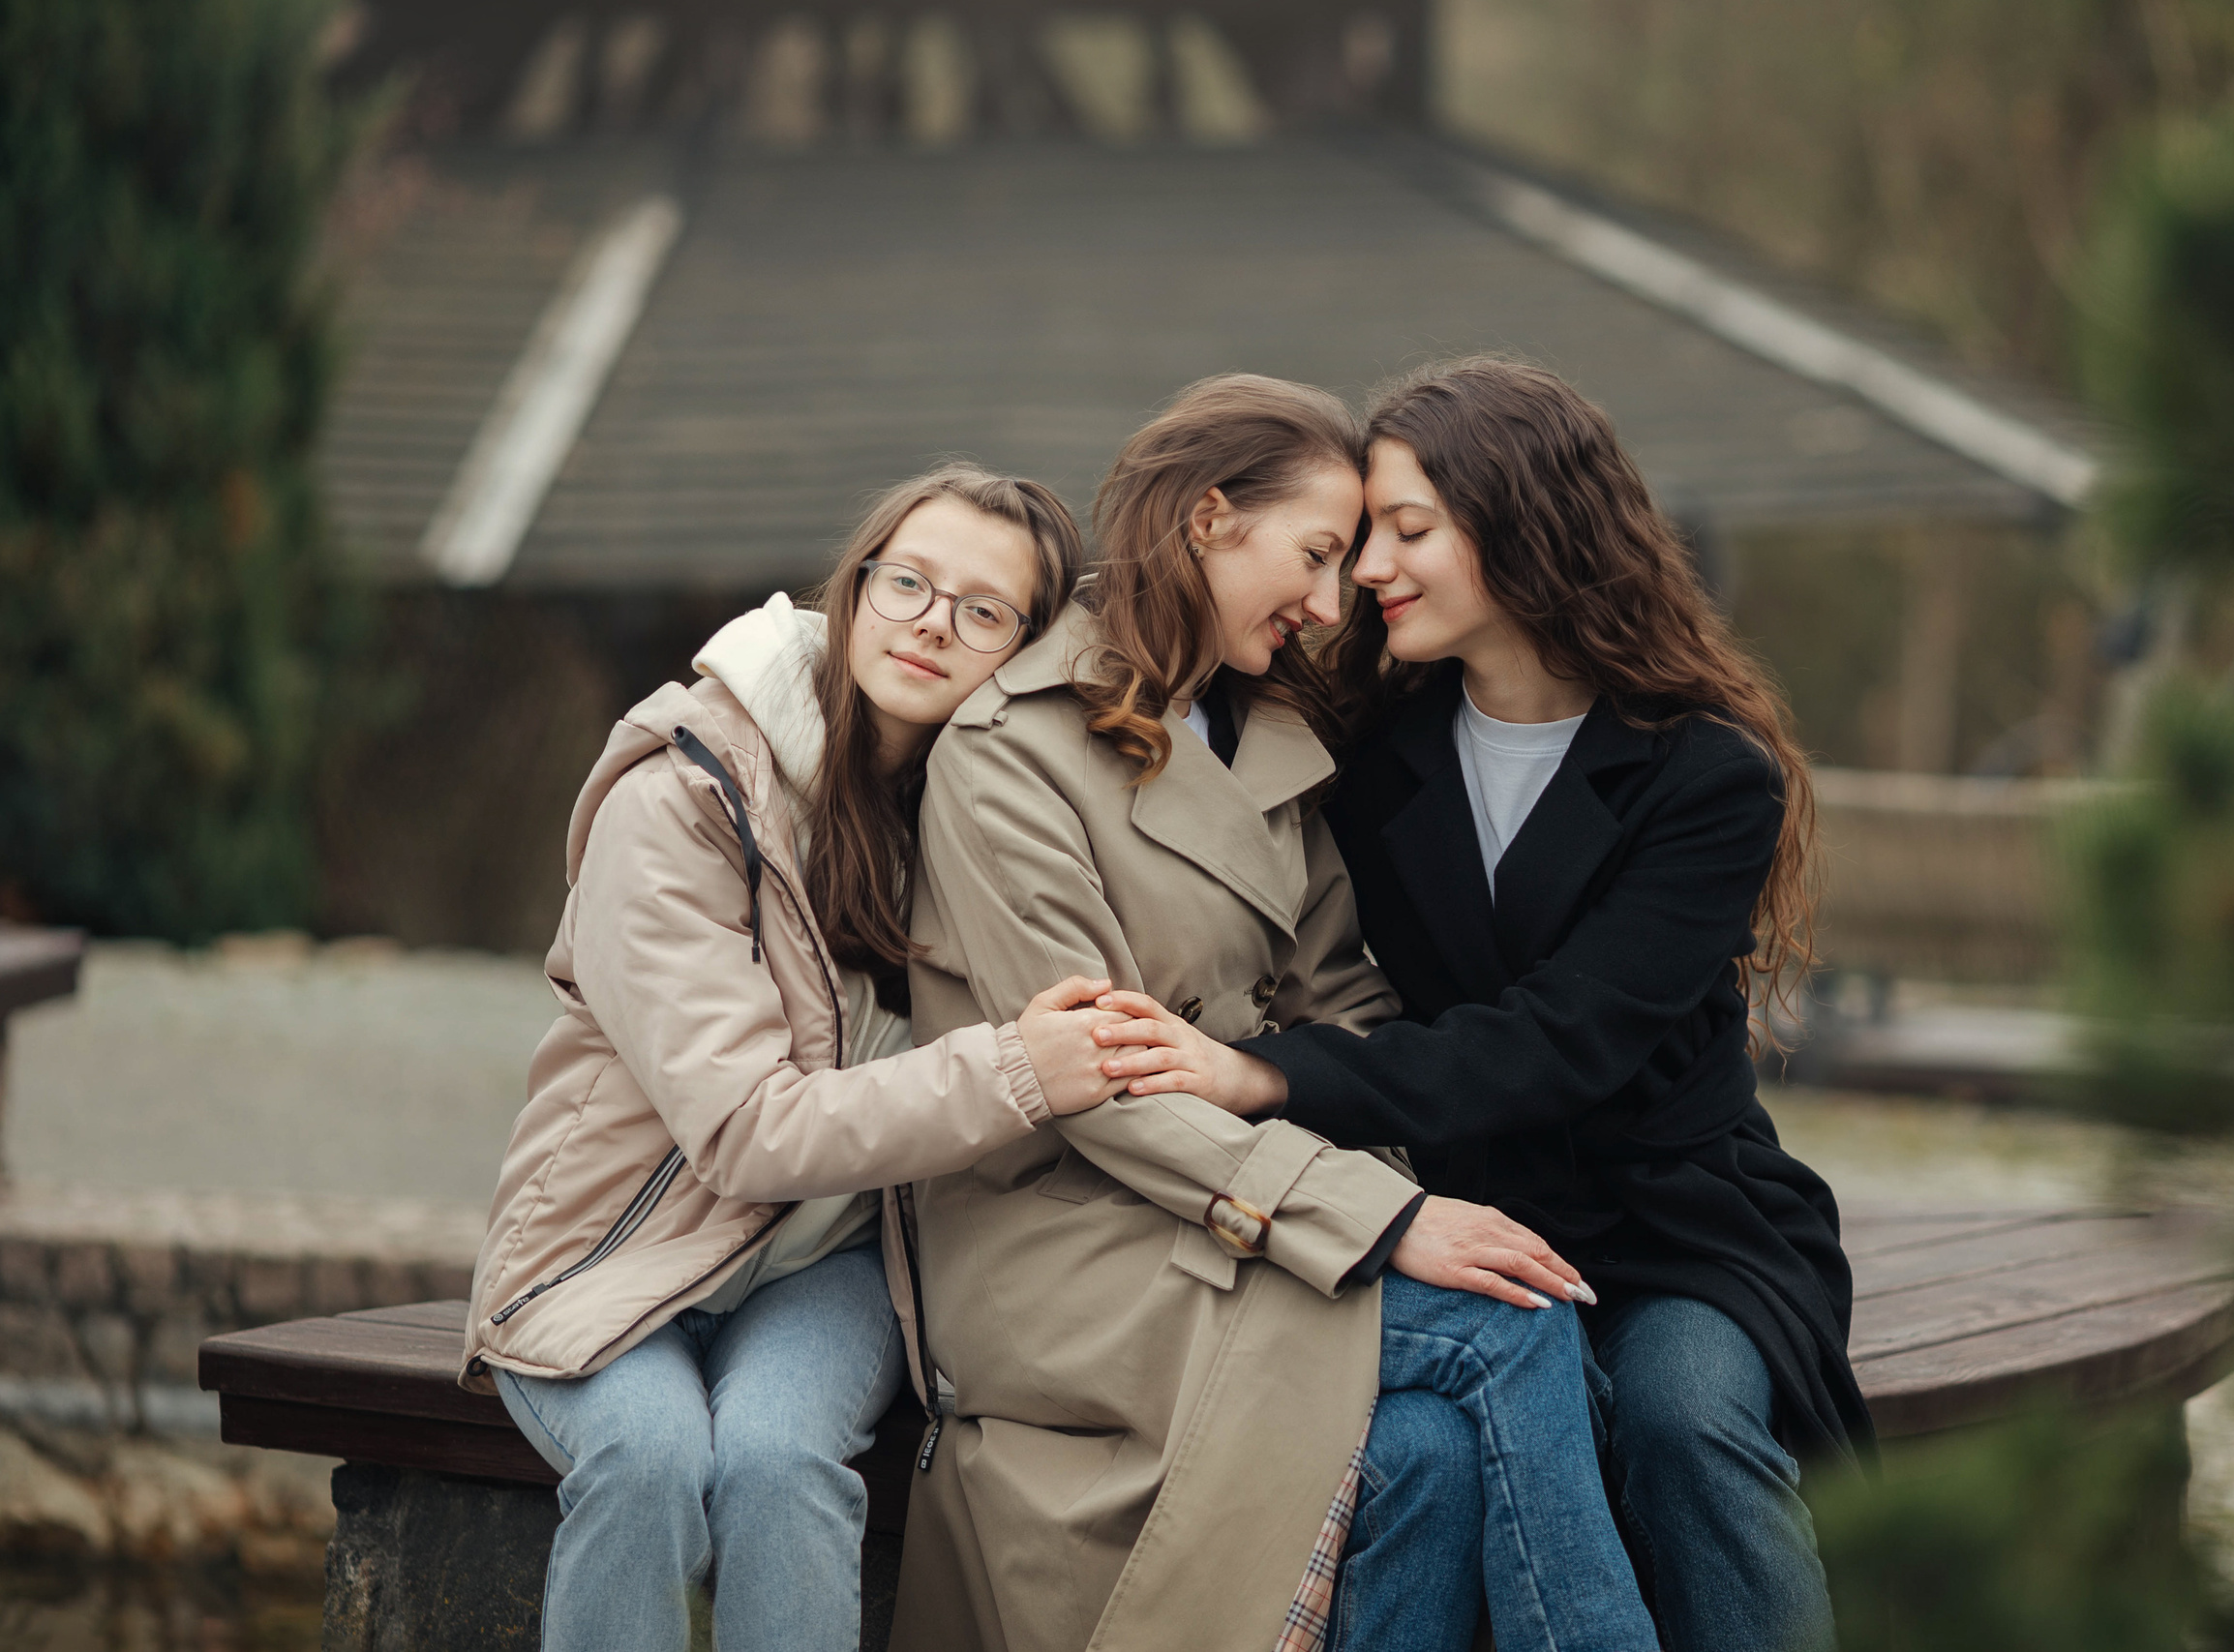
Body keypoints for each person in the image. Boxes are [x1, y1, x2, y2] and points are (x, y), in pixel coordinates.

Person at [1095, 359, 1871, 1652]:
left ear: (1523, 528)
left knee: (1684, 1419)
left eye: (1407, 531)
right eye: (1360, 539)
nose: (1367, 572)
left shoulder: (1706, 776)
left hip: (1673, 1223)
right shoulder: (1360, 745)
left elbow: (1566, 1038)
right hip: (1440, 1210)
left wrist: (1266, 1071)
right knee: (1430, 1444)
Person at [891, 375, 1658, 1652]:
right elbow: (1095, 1085)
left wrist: (1368, 1178)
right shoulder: (1009, 749)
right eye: (1314, 554)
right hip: (1071, 1239)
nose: (1335, 599)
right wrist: (1387, 1220)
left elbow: (1343, 1006)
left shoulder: (1269, 737)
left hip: (1238, 1199)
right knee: (1507, 1328)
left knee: (1427, 1449)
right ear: (1208, 518)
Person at [460, 466, 1126, 1652]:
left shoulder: (987, 810)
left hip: (828, 1263)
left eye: (983, 611)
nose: (932, 624)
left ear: (1023, 653)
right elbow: (745, 1131)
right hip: (613, 1252)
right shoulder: (682, 798)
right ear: (854, 586)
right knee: (649, 1460)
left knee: (778, 1460)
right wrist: (1018, 1071)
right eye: (908, 583)